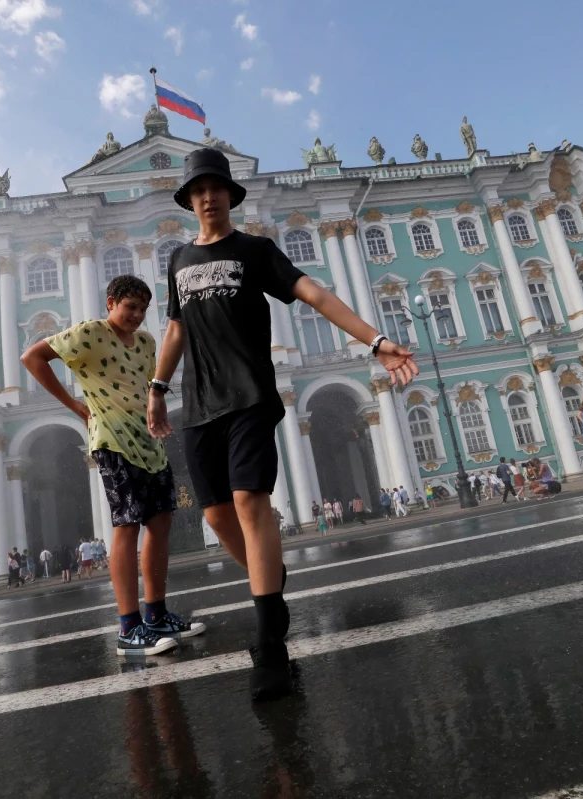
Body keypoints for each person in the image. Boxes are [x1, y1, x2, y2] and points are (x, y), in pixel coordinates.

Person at [146, 148, 417, 699]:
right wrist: (156, 388)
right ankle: (271, 584)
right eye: (198, 190)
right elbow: (175, 330)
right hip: (199, 405)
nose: (208, 196)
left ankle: (270, 645)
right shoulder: (177, 260)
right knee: (218, 517)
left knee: (250, 502)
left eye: (216, 187)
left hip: (250, 396)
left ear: (229, 194)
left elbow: (313, 293)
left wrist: (376, 342)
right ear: (189, 202)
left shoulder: (255, 250)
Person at [22, 273, 205, 658]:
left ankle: (156, 616)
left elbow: (144, 389)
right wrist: (73, 406)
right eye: (129, 307)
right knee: (127, 525)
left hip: (148, 440)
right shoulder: (89, 333)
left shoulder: (146, 343)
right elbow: (32, 357)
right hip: (111, 440)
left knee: (161, 522)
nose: (136, 315)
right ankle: (128, 628)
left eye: (142, 308)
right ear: (111, 304)